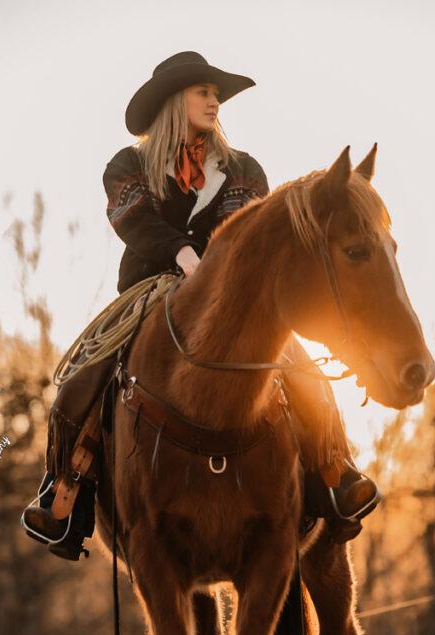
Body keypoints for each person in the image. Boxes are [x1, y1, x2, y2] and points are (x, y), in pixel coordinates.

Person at [22, 51, 380, 554]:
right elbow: (133, 220)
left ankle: (333, 470)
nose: (214, 102)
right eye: (203, 93)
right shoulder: (127, 165)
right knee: (90, 370)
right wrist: (182, 253)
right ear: (175, 101)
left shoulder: (242, 168)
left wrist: (210, 266)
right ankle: (67, 490)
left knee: (295, 361)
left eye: (216, 94)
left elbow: (244, 225)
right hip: (149, 287)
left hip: (230, 293)